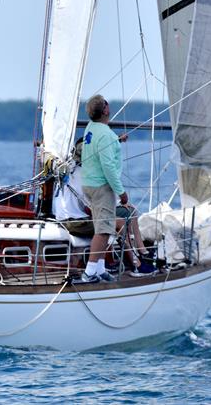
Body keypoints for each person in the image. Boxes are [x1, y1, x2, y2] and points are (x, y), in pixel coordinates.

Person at [53, 139, 155, 276]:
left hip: (76, 216)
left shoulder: (70, 170)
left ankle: (141, 251)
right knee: (120, 224)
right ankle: (136, 264)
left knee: (130, 212)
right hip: (74, 221)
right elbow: (93, 205)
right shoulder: (82, 174)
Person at [79, 94, 127, 283]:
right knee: (104, 230)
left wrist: (116, 140)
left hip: (89, 184)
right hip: (101, 187)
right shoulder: (106, 134)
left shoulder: (91, 129)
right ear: (105, 110)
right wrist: (121, 191)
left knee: (102, 226)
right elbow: (108, 166)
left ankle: (100, 269)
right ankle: (89, 272)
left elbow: (102, 141)